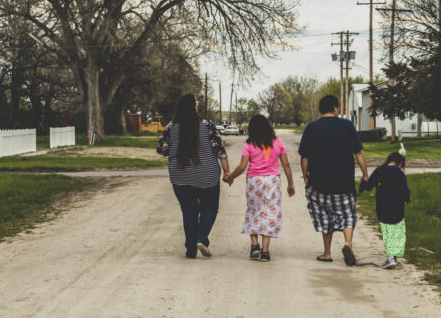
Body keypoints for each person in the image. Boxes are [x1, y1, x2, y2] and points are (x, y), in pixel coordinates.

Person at [157, 94, 230, 259]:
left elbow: (162, 149)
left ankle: (191, 249)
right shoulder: (207, 125)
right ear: (194, 108)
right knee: (210, 207)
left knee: (189, 211)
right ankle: (201, 238)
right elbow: (220, 150)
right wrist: (227, 172)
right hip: (208, 175)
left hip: (181, 176)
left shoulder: (171, 126)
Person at [298, 95, 368, 266]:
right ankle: (347, 243)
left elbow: (304, 157)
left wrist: (306, 176)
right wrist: (365, 174)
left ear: (322, 109)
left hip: (319, 182)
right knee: (347, 214)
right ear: (335, 108)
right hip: (344, 182)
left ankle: (327, 253)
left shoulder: (311, 128)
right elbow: (359, 153)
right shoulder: (347, 126)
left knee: (325, 216)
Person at [225, 115, 295, 262]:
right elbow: (286, 165)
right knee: (270, 212)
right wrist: (290, 184)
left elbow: (243, 166)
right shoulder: (278, 142)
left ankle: (255, 245)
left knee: (254, 210)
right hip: (272, 181)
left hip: (254, 180)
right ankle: (265, 251)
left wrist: (231, 176)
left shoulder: (249, 144)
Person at [359, 151, 411, 269]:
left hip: (383, 207)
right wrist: (408, 199)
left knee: (387, 232)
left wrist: (362, 184)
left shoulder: (380, 170)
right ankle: (393, 257)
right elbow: (405, 191)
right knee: (397, 232)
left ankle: (391, 257)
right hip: (397, 208)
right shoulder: (400, 174)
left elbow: (369, 185)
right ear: (400, 163)